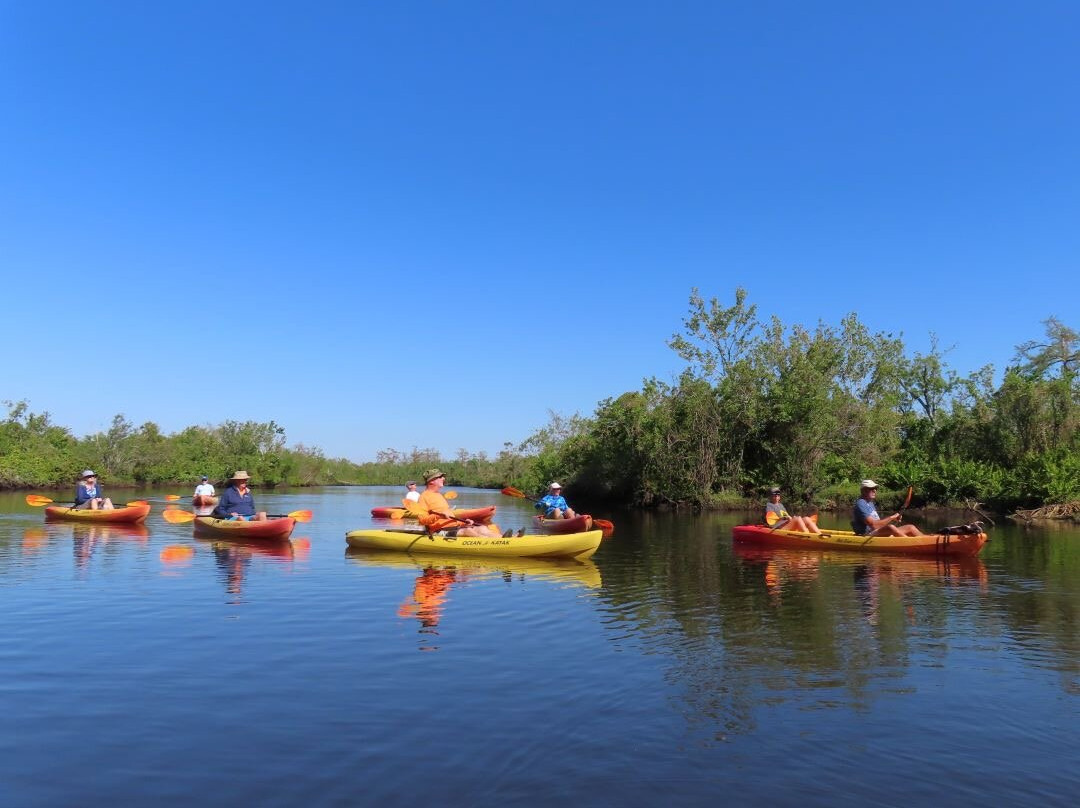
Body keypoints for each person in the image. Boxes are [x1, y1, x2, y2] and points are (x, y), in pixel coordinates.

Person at [417, 468, 508, 537]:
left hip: (453, 527)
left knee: (482, 528)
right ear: (432, 481)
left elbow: (449, 517)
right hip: (438, 531)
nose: (443, 478)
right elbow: (422, 520)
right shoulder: (424, 497)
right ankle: (491, 544)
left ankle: (505, 539)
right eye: (440, 477)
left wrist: (464, 523)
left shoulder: (439, 495)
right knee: (468, 531)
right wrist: (438, 515)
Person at [852, 479, 923, 537]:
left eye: (875, 488)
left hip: (877, 532)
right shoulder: (860, 503)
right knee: (890, 527)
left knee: (910, 527)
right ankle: (910, 543)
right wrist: (892, 517)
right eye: (871, 488)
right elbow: (874, 525)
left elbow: (878, 525)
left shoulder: (870, 503)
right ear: (863, 490)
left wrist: (894, 519)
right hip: (867, 535)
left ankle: (927, 539)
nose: (875, 490)